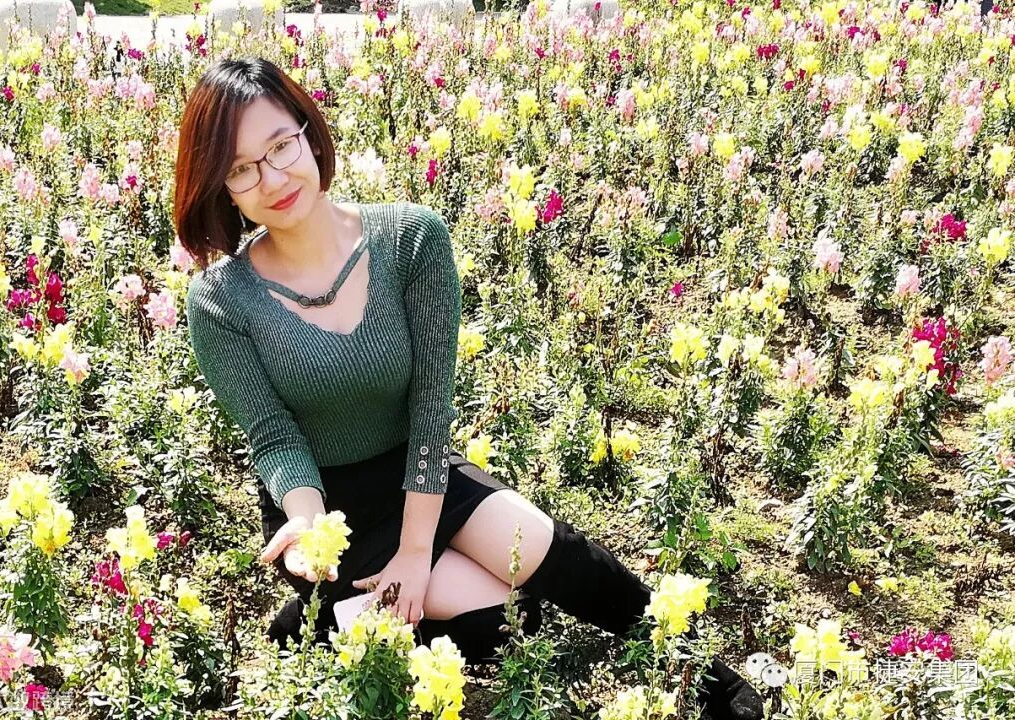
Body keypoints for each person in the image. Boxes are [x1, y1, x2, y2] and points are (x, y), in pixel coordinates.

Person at [174, 56, 763, 719]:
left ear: (310, 132)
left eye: (281, 145)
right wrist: (308, 523)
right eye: (242, 168)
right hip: (327, 510)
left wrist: (416, 551)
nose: (273, 178)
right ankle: (323, 616)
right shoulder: (221, 299)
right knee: (498, 621)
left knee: (546, 550)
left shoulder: (410, 239)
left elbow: (430, 408)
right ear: (222, 187)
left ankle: (706, 677)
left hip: (417, 468)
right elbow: (275, 438)